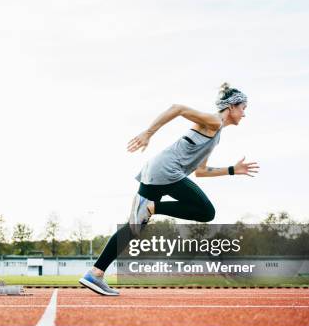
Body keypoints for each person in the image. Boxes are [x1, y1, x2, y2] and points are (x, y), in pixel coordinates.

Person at [79, 83, 259, 296]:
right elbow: (178, 108)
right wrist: (148, 133)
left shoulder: (216, 134)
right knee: (206, 212)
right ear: (231, 107)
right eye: (243, 108)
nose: (244, 114)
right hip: (167, 171)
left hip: (155, 171)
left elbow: (200, 171)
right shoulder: (214, 121)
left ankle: (95, 273)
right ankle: (154, 207)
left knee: (134, 228)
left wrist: (231, 170)